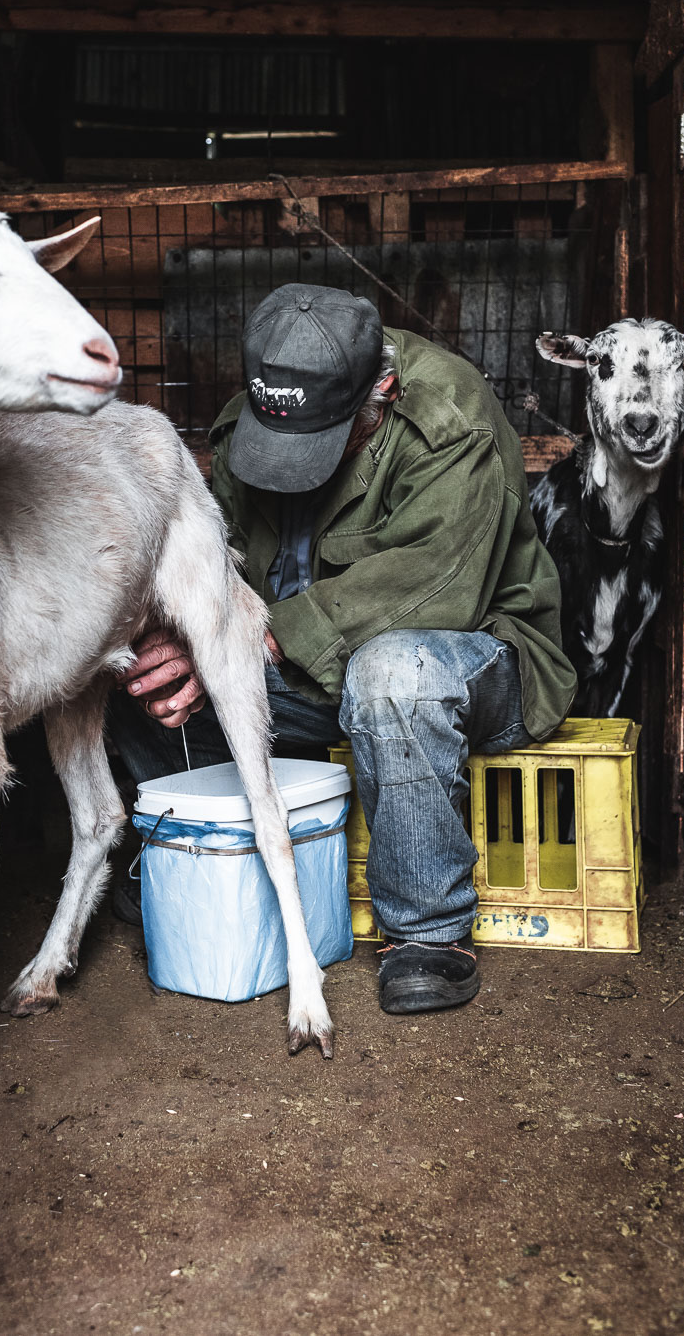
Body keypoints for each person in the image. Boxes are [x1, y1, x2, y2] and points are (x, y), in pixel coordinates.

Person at [109, 283, 576, 1015]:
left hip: (468, 664)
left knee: (391, 673)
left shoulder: (450, 421)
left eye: (323, 440)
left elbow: (434, 590)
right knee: (128, 668)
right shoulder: (252, 417)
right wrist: (183, 636)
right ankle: (172, 864)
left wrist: (244, 644)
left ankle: (426, 932)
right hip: (304, 677)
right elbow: (214, 560)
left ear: (381, 392)